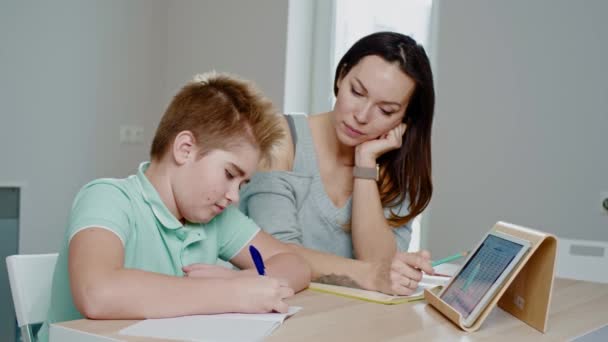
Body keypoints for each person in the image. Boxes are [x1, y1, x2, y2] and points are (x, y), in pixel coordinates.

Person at [38, 72, 311, 342]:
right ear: (185, 148)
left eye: (242, 184)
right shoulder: (107, 198)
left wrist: (247, 280)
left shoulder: (217, 218)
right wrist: (233, 292)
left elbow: (295, 264)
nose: (234, 196)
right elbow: (96, 293)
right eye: (229, 174)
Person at [240, 32, 435, 296]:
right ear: (341, 76)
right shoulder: (282, 137)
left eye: (386, 110)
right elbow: (276, 256)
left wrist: (365, 165)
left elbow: (382, 269)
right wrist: (367, 274)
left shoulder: (396, 169)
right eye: (357, 92)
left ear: (405, 120)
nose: (362, 116)